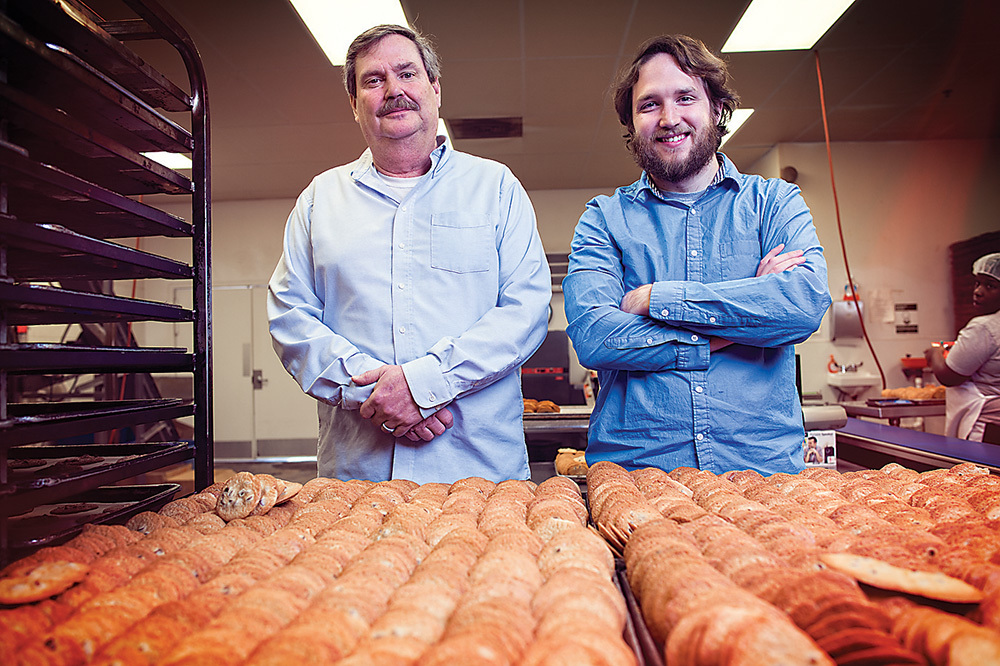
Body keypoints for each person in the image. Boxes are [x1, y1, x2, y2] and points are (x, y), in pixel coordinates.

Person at [267, 25, 551, 484]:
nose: (394, 90)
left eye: (407, 73)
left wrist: (424, 385)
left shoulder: (495, 188)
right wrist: (376, 394)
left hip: (480, 474)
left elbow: (527, 311)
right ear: (355, 104)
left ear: (435, 89)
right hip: (360, 479)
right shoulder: (320, 200)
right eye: (373, 80)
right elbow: (289, 318)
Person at [563, 34, 831, 475]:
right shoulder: (605, 218)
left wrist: (658, 300)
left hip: (763, 475)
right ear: (631, 122)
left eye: (686, 97)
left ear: (718, 109)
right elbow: (596, 337)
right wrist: (743, 320)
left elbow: (802, 305)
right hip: (639, 477)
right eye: (649, 105)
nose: (669, 118)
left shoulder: (775, 202)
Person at [924, 252, 1000, 441]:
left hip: (988, 428)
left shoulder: (984, 327)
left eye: (990, 286)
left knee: (982, 471)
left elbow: (950, 376)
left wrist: (935, 354)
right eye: (977, 283)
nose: (978, 291)